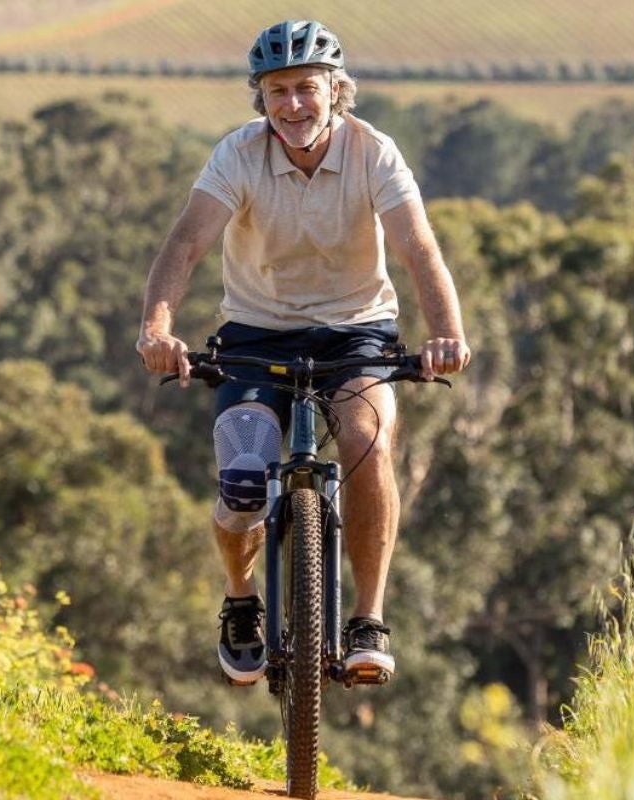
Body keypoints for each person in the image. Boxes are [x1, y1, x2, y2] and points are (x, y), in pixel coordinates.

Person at [134, 19, 472, 686]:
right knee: (243, 477)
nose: (292, 105)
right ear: (260, 97)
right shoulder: (239, 154)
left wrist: (447, 333)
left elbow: (418, 248)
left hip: (357, 330)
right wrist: (156, 328)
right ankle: (241, 599)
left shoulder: (374, 152)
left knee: (368, 442)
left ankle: (368, 620)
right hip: (256, 332)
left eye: (306, 88)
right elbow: (186, 243)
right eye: (277, 91)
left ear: (336, 90)